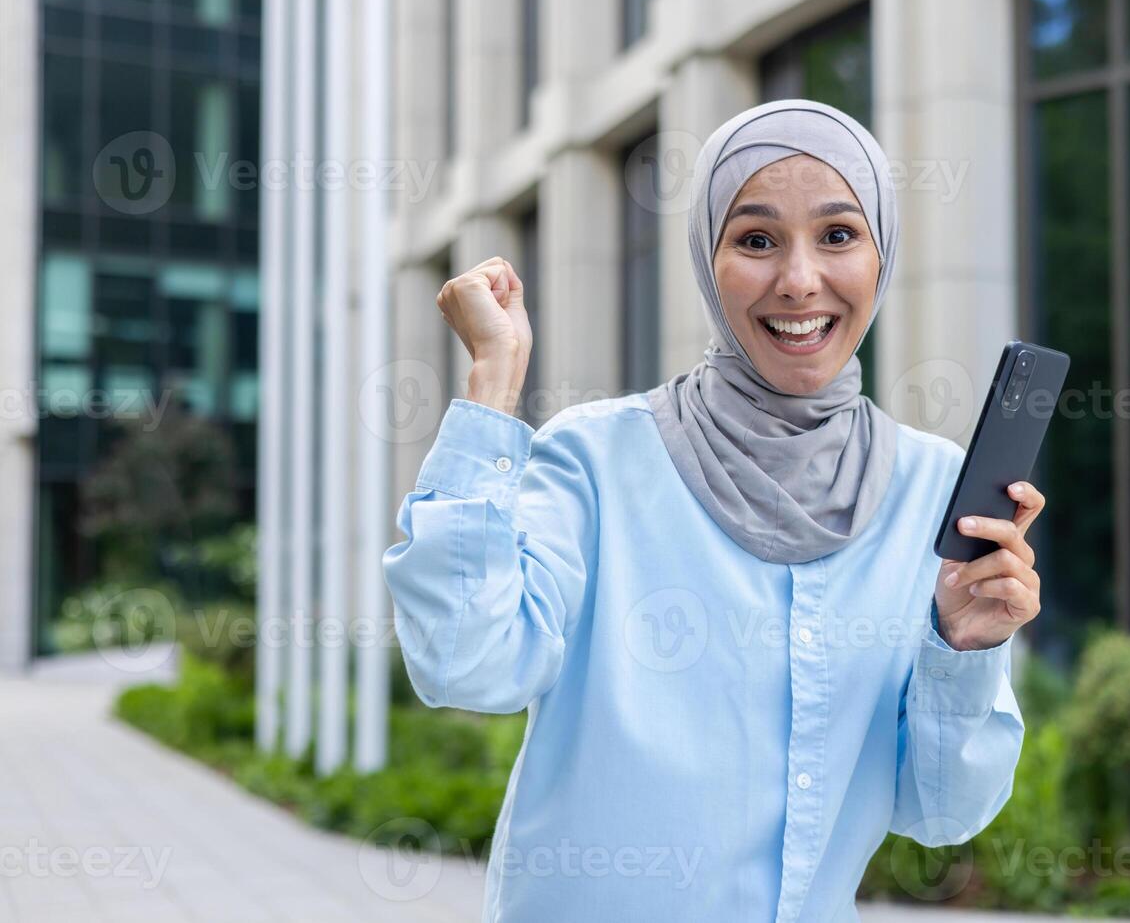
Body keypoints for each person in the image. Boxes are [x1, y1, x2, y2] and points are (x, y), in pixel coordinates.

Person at [383, 99, 1041, 922]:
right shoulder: (595, 461)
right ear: (706, 259)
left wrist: (962, 649)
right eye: (756, 239)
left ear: (882, 256)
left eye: (838, 235)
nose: (800, 281)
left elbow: (943, 812)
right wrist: (494, 379)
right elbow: (462, 664)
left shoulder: (933, 492)